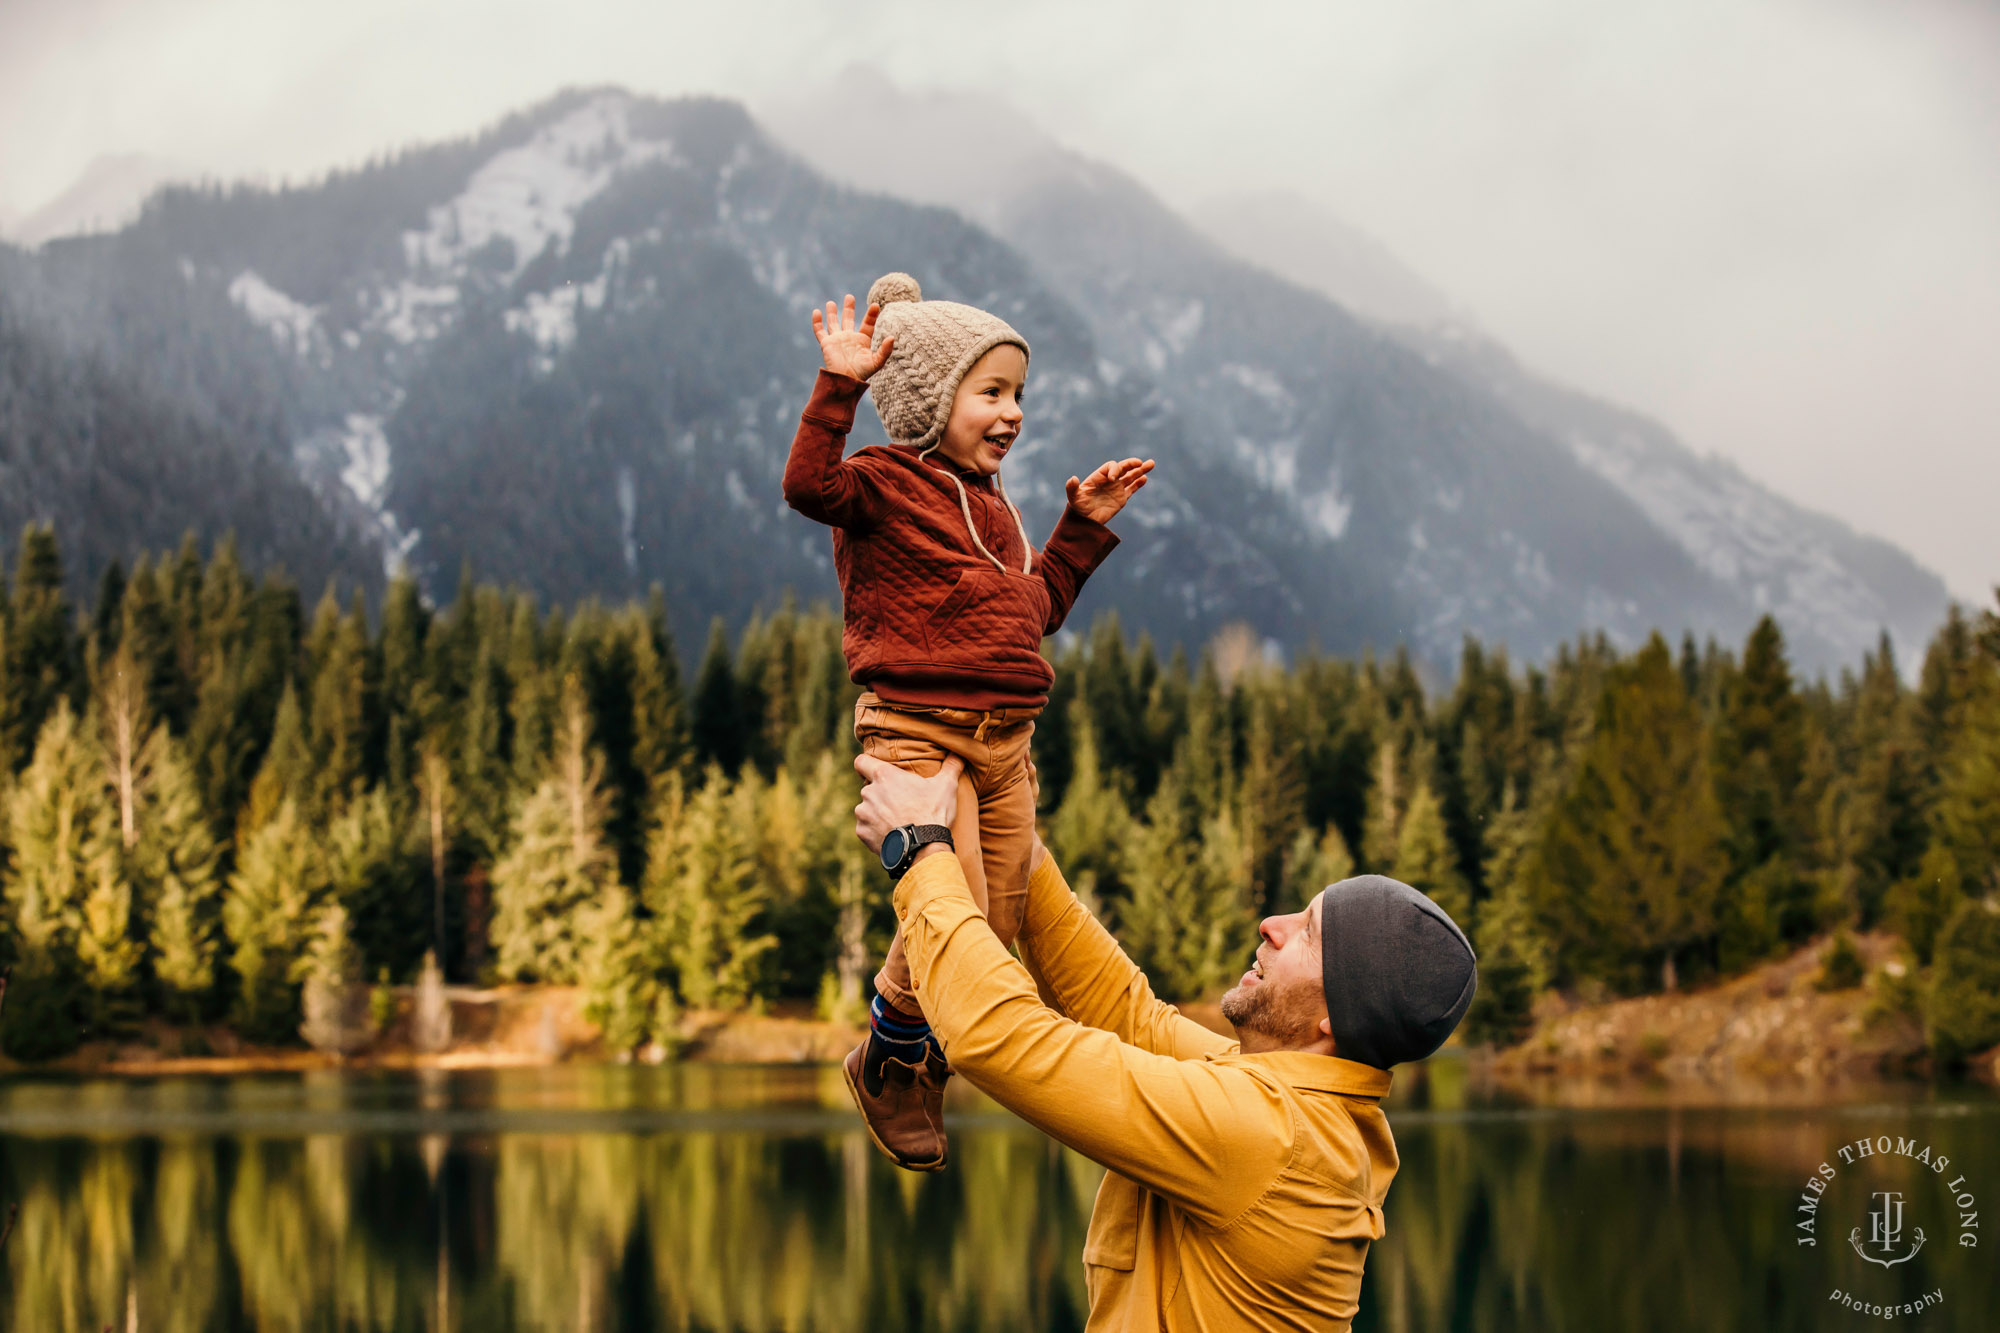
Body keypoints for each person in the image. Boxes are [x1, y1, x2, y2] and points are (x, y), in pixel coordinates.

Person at [851, 752, 1477, 1330]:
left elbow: (1002, 1039)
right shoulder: (1289, 1100)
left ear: (1333, 1020)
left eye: (1307, 934)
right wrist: (1016, 844)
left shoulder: (1269, 1138)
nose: (1271, 925)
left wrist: (916, 849)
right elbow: (1128, 1015)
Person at [782, 272, 1154, 1171]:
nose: (1013, 411)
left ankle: (906, 1053)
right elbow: (805, 484)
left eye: (1018, 393)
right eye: (991, 392)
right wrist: (841, 388)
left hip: (1007, 745)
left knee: (999, 925)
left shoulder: (998, 511)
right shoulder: (879, 482)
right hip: (920, 730)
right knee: (961, 920)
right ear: (929, 399)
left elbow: (1035, 612)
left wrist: (1080, 529)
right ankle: (898, 1061)